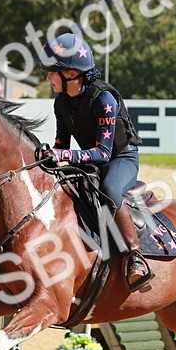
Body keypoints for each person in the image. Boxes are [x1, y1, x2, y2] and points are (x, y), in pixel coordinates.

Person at [39, 32, 153, 291]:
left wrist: (65, 156)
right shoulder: (61, 103)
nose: (47, 77)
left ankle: (136, 258)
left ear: (70, 73)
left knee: (110, 188)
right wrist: (47, 156)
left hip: (120, 159)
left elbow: (103, 152)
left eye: (51, 71)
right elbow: (62, 146)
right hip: (90, 163)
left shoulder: (104, 99)